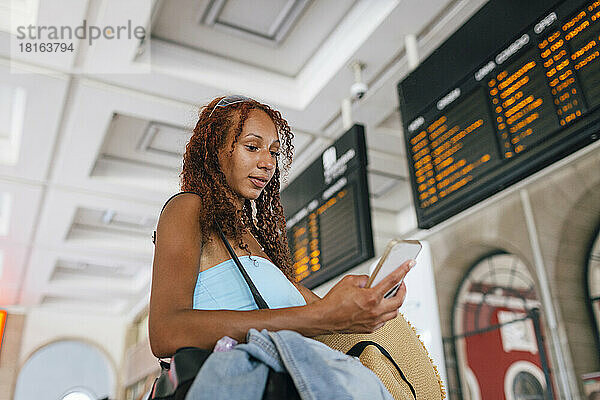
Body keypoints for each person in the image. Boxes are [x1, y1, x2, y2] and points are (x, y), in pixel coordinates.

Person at [148, 95, 413, 358]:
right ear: (214, 150)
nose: (268, 163)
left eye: (274, 152)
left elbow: (324, 314)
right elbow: (166, 333)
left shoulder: (252, 242)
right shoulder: (188, 208)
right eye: (252, 147)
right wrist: (323, 315)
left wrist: (365, 303)